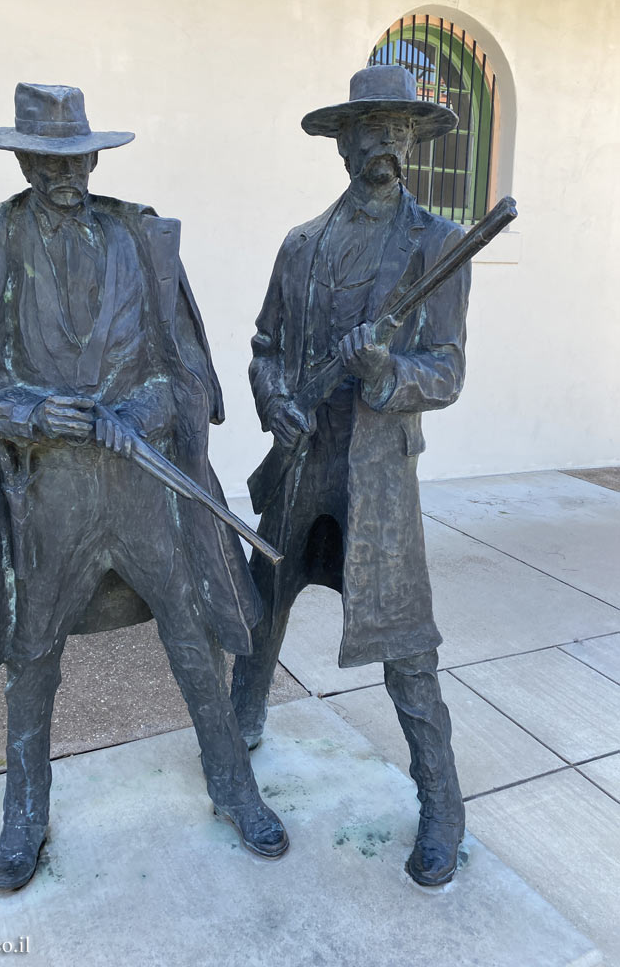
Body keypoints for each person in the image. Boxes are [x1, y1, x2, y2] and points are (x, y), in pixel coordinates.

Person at [0, 82, 288, 890]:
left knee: (191, 637)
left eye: (76, 156)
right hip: (51, 498)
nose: (65, 172)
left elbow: (181, 372)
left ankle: (233, 786)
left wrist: (141, 410)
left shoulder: (137, 238)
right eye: (46, 159)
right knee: (34, 654)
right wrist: (37, 411)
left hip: (142, 490)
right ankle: (26, 816)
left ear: (94, 155)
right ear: (21, 159)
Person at [230, 65, 470, 886]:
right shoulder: (300, 244)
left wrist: (383, 371)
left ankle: (440, 798)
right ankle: (241, 725)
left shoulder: (438, 245)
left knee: (406, 642)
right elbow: (264, 343)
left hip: (377, 478)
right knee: (259, 605)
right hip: (298, 463)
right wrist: (275, 406)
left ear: (413, 143)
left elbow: (445, 371)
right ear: (340, 144)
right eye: (367, 130)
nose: (383, 146)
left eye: (397, 131)